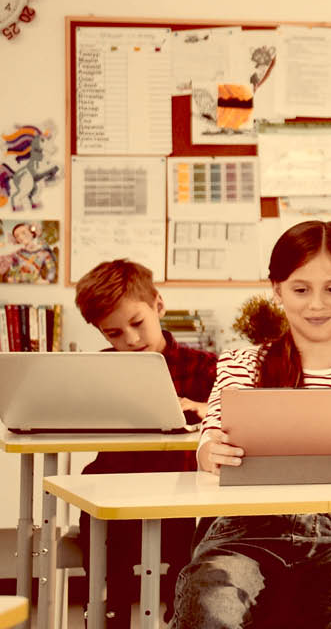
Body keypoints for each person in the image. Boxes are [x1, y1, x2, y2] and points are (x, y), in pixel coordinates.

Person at [171, 221, 331, 629]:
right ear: (276, 290)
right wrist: (211, 452)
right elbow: (208, 445)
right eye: (300, 289)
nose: (317, 304)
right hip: (240, 532)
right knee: (210, 603)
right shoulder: (242, 365)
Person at [73, 258, 216, 627]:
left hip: (179, 492)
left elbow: (229, 414)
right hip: (113, 491)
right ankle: (109, 605)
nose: (131, 340)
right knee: (98, 515)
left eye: (137, 323)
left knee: (187, 528)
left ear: (158, 305)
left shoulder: (203, 366)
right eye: (114, 334)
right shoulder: (100, 370)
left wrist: (201, 409)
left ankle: (181, 605)